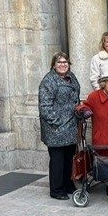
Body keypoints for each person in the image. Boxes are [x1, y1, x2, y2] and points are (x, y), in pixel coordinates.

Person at [38, 52, 80, 200]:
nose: (63, 65)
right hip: (56, 128)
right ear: (53, 65)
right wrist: (58, 123)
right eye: (60, 62)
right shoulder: (48, 81)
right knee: (57, 161)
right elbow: (45, 107)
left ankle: (68, 184)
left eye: (65, 62)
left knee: (69, 158)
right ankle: (56, 189)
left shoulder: (71, 77)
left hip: (70, 126)